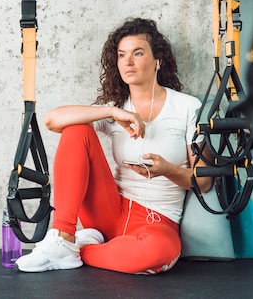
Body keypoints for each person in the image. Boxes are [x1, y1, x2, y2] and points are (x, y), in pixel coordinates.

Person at [15, 17, 212, 275]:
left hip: (156, 221)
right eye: (121, 55)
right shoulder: (116, 109)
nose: (128, 62)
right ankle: (63, 236)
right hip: (109, 212)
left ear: (158, 60)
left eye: (138, 53)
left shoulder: (188, 108)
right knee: (77, 129)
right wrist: (110, 111)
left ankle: (78, 249)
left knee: (154, 255)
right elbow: (52, 120)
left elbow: (205, 181)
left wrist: (167, 170)